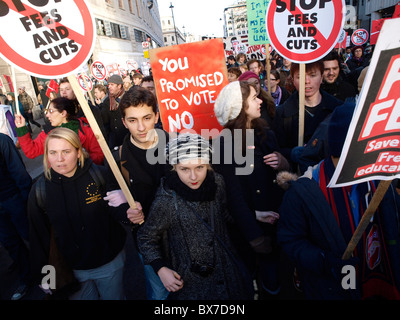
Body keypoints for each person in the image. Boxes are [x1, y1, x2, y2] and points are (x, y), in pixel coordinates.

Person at [277, 101, 400, 300]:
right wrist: (327, 262)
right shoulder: (304, 191)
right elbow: (290, 241)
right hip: (331, 287)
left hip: (373, 281)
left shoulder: (378, 180)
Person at [137, 133, 254, 300]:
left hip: (228, 274)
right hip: (192, 283)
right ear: (174, 167)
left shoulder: (217, 183)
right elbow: (145, 238)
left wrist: (251, 215)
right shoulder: (166, 200)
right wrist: (161, 268)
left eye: (200, 167)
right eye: (184, 169)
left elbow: (225, 214)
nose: (193, 177)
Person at [27, 127, 127, 300]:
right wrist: (46, 276)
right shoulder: (40, 191)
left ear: (78, 152)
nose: (59, 159)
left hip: (109, 264)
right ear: (46, 155)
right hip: (72, 270)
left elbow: (120, 214)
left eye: (66, 151)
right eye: (53, 152)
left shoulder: (100, 175)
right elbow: (38, 237)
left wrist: (128, 204)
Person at [213, 81, 290, 299]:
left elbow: (279, 177)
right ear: (239, 106)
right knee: (251, 281)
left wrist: (283, 164)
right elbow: (232, 196)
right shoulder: (225, 144)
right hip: (249, 231)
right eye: (254, 97)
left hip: (276, 222)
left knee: (276, 280)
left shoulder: (266, 132)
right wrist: (254, 233)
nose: (260, 101)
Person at [106, 86, 170, 300]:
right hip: (149, 243)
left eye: (147, 118)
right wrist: (127, 213)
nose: (141, 127)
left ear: (156, 117)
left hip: (184, 235)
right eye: (133, 120)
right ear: (124, 122)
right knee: (160, 294)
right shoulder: (117, 160)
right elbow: (112, 202)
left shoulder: (176, 146)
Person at [273, 61, 342, 170]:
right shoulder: (282, 113)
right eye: (300, 77)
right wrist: (293, 153)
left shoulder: (337, 109)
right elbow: (277, 148)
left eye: (313, 75)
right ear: (293, 80)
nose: (306, 81)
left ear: (321, 77)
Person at [14, 97, 104, 165]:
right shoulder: (48, 132)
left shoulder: (85, 129)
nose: (47, 115)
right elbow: (31, 151)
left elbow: (99, 156)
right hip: (59, 181)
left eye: (51, 111)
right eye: (47, 111)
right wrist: (21, 128)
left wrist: (83, 158)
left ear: (63, 113)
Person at [0, 132, 32, 300]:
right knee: (11, 243)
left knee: (32, 236)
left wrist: (27, 199)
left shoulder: (2, 140)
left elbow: (18, 171)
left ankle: (51, 274)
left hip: (14, 199)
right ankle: (26, 278)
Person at [101, 74, 129, 149]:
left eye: (112, 84)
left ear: (119, 86)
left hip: (128, 136)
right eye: (108, 84)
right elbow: (105, 122)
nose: (109, 86)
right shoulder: (107, 101)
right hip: (114, 140)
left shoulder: (128, 97)